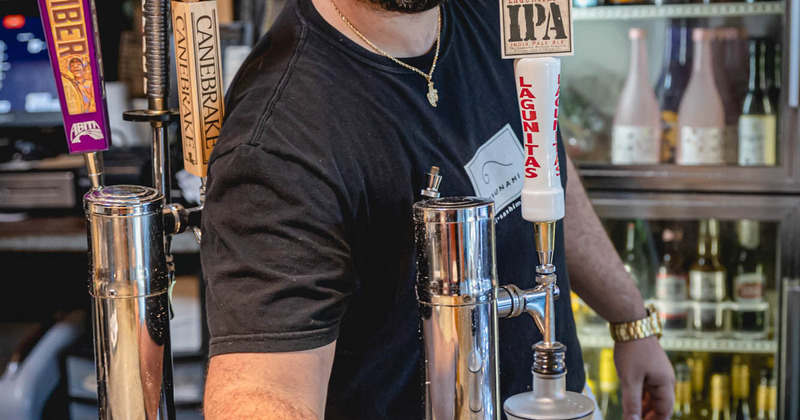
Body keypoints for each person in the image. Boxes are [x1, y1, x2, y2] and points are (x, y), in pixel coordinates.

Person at [200, 0, 675, 419]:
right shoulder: (278, 143)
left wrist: (631, 319)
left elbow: (542, 162)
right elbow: (263, 388)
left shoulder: (493, 12)